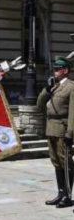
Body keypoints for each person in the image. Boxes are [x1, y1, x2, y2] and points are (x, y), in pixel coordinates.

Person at [37, 56, 74, 208]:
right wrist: (46, 89)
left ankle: (67, 195)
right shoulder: (54, 86)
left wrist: (70, 133)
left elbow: (73, 112)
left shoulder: (71, 87)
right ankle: (60, 192)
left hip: (63, 128)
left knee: (66, 163)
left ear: (65, 71)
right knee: (56, 162)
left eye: (57, 70)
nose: (55, 72)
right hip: (51, 128)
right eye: (54, 70)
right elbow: (39, 103)